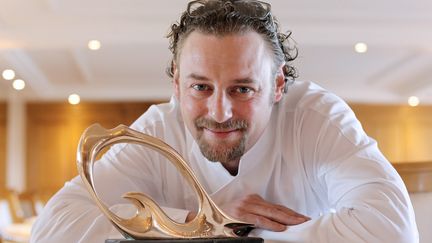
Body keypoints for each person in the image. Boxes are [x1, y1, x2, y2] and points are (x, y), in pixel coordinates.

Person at [31, 0, 418, 242]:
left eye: (242, 89)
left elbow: (394, 233)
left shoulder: (317, 119)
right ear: (177, 84)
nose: (219, 113)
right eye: (200, 87)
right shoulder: (157, 129)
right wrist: (203, 221)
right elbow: (53, 228)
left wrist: (219, 231)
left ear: (278, 84)